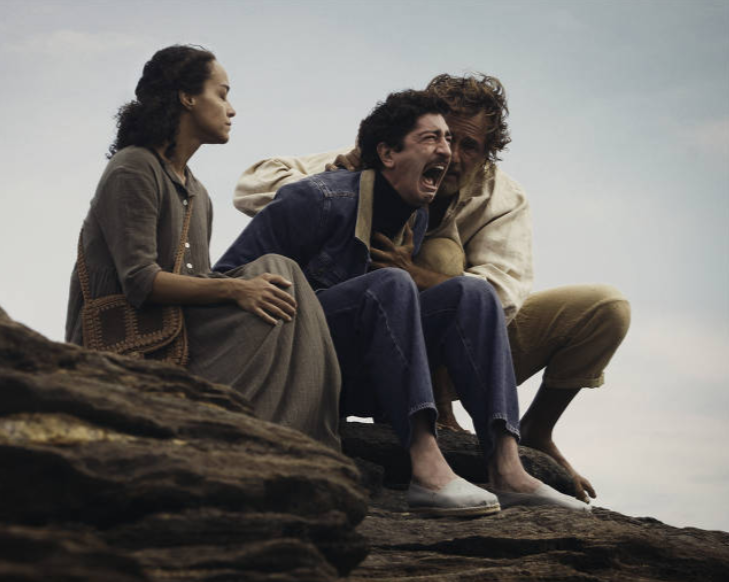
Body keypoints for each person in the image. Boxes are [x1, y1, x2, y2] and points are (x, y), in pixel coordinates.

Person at [232, 74, 631, 503]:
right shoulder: (363, 169)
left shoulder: (492, 199)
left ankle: (509, 464)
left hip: (456, 343)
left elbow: (503, 296)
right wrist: (339, 183)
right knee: (398, 279)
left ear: (488, 154)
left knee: (478, 289)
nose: (450, 154)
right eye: (440, 138)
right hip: (328, 345)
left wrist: (417, 273)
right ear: (391, 149)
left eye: (467, 145)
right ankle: (427, 450)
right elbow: (251, 190)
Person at [65, 45, 342, 450]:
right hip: (130, 351)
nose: (232, 110)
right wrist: (236, 288)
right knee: (276, 274)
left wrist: (245, 285)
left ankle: (300, 439)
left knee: (283, 275)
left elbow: (198, 280)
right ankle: (268, 440)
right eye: (222, 94)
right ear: (187, 97)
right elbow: (141, 281)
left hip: (179, 338)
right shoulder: (134, 167)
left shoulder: (197, 192)